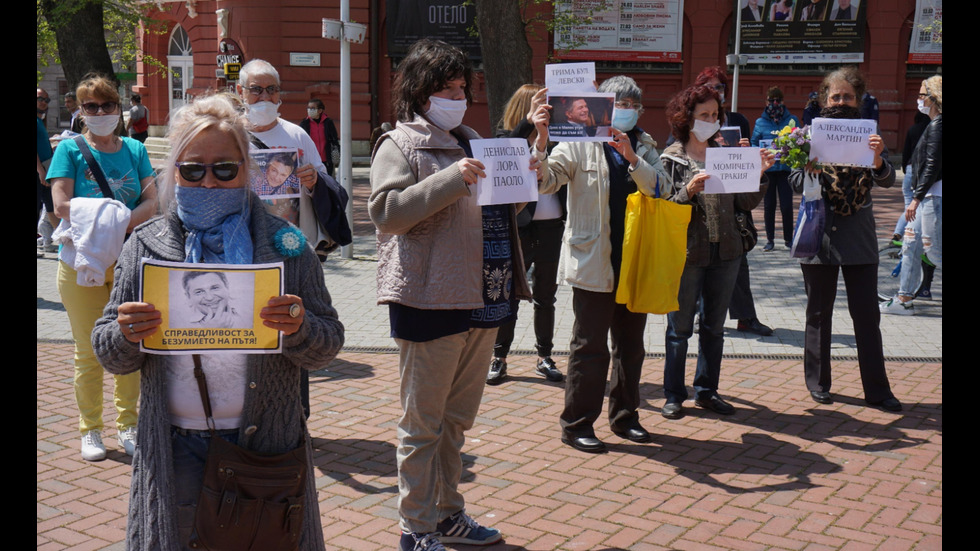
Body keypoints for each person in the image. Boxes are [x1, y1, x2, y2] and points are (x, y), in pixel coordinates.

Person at [91, 93, 344, 550]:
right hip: (173, 448)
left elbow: (328, 343)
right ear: (174, 172)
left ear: (247, 169)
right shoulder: (147, 245)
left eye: (225, 169)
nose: (208, 183)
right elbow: (108, 350)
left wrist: (300, 329)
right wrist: (126, 335)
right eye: (193, 169)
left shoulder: (285, 246)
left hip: (265, 448)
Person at [369, 39, 530, 551]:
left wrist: (528, 172)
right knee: (423, 425)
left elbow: (511, 212)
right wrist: (450, 180)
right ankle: (414, 528)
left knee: (456, 423)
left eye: (462, 87)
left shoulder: (474, 140)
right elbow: (387, 213)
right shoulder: (398, 145)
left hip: (485, 296)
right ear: (420, 94)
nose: (459, 96)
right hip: (427, 299)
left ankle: (448, 514)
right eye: (447, 88)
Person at [539, 75, 670, 454]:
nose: (626, 111)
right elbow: (545, 181)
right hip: (594, 260)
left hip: (635, 262)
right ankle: (577, 424)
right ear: (602, 107)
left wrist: (631, 157)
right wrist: (541, 139)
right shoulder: (578, 144)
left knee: (631, 347)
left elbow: (661, 189)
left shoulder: (645, 146)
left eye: (633, 105)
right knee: (589, 346)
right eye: (619, 104)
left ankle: (625, 417)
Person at [48, 75, 158, 461]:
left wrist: (117, 222)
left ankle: (128, 424)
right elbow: (61, 204)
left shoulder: (134, 148)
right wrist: (113, 216)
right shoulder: (69, 149)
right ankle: (91, 429)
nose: (99, 113)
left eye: (106, 105)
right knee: (89, 351)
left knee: (129, 343)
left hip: (129, 260)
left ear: (119, 109)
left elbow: (152, 202)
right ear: (80, 111)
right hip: (81, 263)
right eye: (90, 107)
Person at [788, 66, 902, 412]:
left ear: (859, 99)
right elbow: (794, 180)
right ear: (824, 98)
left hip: (859, 239)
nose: (841, 101)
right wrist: (808, 171)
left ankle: (878, 390)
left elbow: (887, 179)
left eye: (847, 96)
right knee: (818, 314)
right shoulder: (809, 135)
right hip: (819, 234)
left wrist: (880, 158)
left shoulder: (870, 134)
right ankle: (818, 383)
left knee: (867, 316)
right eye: (835, 96)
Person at [660, 85, 773, 420]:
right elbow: (664, 208)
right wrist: (687, 191)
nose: (711, 121)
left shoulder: (725, 155)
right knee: (679, 329)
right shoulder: (671, 158)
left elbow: (744, 203)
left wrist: (759, 174)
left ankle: (707, 391)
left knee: (714, 327)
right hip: (688, 254)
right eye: (704, 115)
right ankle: (673, 395)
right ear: (686, 118)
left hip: (726, 252)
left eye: (715, 115)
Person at [486, 84, 564, 384]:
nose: (547, 111)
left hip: (551, 226)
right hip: (518, 227)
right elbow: (501, 153)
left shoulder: (557, 141)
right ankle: (499, 357)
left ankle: (544, 357)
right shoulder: (510, 137)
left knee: (546, 296)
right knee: (509, 295)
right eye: (540, 106)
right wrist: (528, 124)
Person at [693, 66, 774, 338]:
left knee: (738, 261)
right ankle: (699, 315)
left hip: (734, 199)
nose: (717, 91)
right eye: (711, 86)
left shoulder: (737, 118)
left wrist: (745, 152)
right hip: (704, 201)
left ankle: (746, 317)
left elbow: (747, 161)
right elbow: (680, 151)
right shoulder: (692, 119)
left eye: (720, 87)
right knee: (701, 261)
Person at [881, 75, 942, 315]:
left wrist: (916, 198)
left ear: (934, 98)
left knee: (935, 252)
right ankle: (904, 299)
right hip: (928, 198)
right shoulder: (934, 124)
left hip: (932, 199)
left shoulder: (938, 126)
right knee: (910, 246)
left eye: (921, 95)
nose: (918, 99)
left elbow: (932, 164)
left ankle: (905, 298)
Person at [752, 86, 800, 252]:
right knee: (769, 205)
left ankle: (788, 239)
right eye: (771, 100)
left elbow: (800, 140)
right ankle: (770, 240)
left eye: (777, 100)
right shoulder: (760, 122)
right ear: (766, 102)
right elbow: (754, 143)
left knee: (786, 206)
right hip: (769, 170)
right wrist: (760, 152)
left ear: (783, 101)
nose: (774, 103)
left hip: (786, 169)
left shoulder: (791, 120)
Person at [181, 271, 250, 328]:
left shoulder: (248, 313)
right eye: (199, 292)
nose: (209, 298)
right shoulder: (180, 324)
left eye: (215, 288)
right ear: (188, 297)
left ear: (227, 286)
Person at [300, 98, 339, 177]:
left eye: (313, 108)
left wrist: (336, 152)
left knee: (327, 181)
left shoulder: (328, 122)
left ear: (320, 110)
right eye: (308, 108)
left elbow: (334, 139)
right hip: (310, 160)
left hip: (326, 159)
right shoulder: (304, 123)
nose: (310, 110)